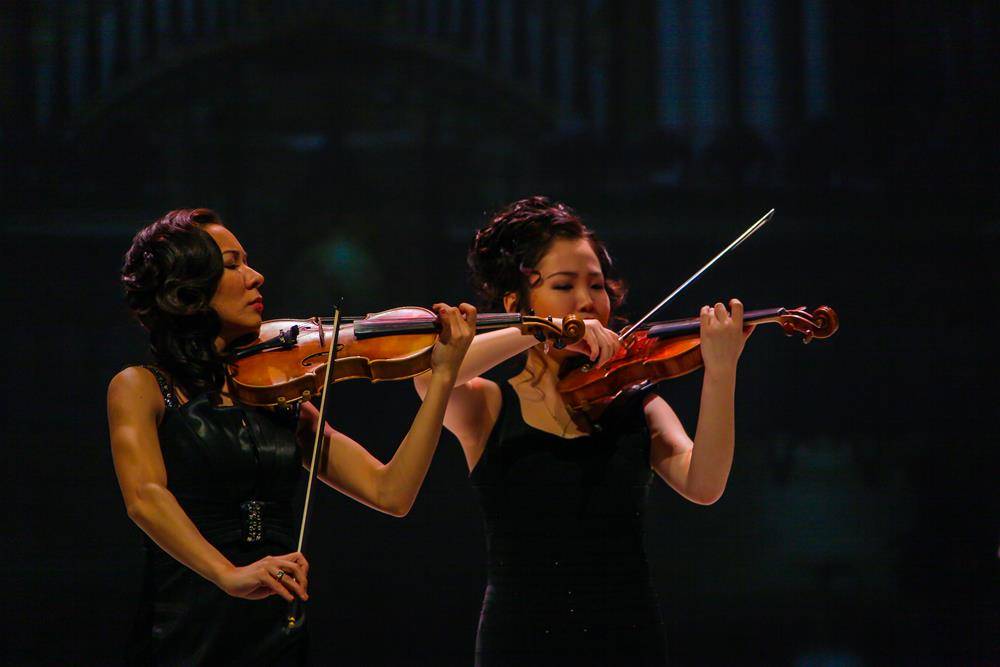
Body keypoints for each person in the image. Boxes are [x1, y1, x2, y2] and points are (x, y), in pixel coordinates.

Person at [109, 208, 476, 665]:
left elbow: (391, 493)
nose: (256, 277)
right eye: (233, 264)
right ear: (188, 287)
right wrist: (227, 573)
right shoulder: (141, 387)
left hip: (275, 626)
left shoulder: (278, 396)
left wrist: (442, 378)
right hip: (186, 625)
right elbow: (145, 497)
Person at [414, 196, 750, 665]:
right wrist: (538, 329)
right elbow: (431, 373)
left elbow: (705, 484)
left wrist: (721, 371)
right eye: (563, 285)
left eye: (597, 285)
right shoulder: (488, 405)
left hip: (628, 642)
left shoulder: (635, 403)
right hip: (520, 644)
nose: (587, 302)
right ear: (516, 304)